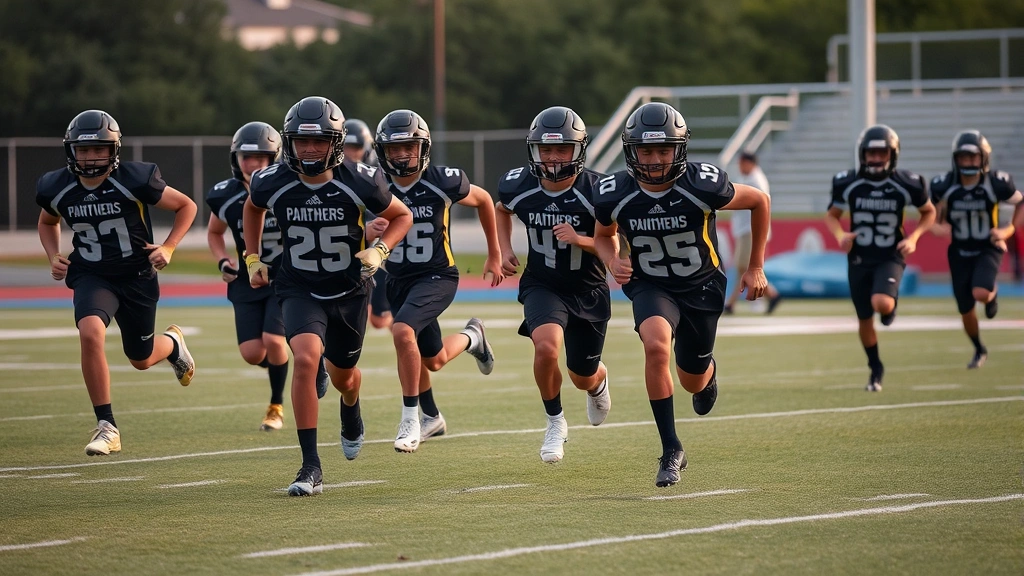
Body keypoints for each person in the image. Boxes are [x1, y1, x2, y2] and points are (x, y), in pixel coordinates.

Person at [593, 102, 770, 488]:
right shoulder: (613, 192)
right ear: (631, 150)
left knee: (692, 379)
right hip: (651, 284)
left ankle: (708, 376)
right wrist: (611, 260)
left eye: (663, 150)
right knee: (656, 345)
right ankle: (671, 448)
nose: (655, 160)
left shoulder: (702, 184)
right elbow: (602, 235)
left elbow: (760, 201)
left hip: (702, 286)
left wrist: (755, 265)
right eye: (646, 150)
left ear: (679, 149)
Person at [242, 96, 413, 496]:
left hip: (350, 290)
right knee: (305, 357)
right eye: (302, 142)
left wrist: (381, 248)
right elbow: (253, 209)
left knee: (344, 378)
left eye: (319, 141)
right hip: (298, 285)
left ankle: (351, 406)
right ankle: (310, 465)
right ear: (289, 143)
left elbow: (402, 216)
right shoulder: (272, 181)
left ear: (335, 142)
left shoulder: (361, 180)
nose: (310, 150)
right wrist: (252, 257)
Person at [36, 109, 198, 456]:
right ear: (71, 151)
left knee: (139, 359)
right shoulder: (57, 186)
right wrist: (53, 254)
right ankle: (107, 426)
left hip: (137, 276)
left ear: (114, 150)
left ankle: (170, 345)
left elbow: (186, 206)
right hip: (92, 275)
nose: (92, 158)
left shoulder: (135, 178)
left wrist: (169, 246)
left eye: (99, 150)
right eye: (84, 150)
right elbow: (47, 221)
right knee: (90, 331)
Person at [367, 109, 502, 453]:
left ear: (422, 147)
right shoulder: (374, 185)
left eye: (408, 147)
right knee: (434, 359)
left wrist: (494, 253)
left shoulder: (442, 181)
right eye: (394, 149)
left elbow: (485, 200)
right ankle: (473, 337)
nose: (401, 155)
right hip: (397, 279)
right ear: (382, 151)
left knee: (402, 332)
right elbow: (349, 226)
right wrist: (367, 231)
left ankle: (411, 418)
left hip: (438, 275)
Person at [495, 106, 612, 464]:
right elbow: (502, 208)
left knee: (582, 374)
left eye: (562, 149)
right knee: (546, 348)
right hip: (543, 284)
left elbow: (614, 243)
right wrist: (503, 248)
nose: (553, 157)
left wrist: (582, 239)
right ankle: (555, 421)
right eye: (546, 150)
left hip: (588, 289)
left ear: (577, 150)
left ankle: (598, 382)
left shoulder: (598, 190)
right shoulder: (520, 185)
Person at [206, 121, 329, 432]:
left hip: (286, 277)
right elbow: (214, 232)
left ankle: (276, 406)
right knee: (252, 353)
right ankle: (300, 361)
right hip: (247, 278)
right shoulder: (225, 195)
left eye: (261, 157)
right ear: (235, 159)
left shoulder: (289, 188)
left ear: (274, 158)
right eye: (247, 158)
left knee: (274, 342)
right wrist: (223, 261)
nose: (253, 164)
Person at [825, 124, 935, 391]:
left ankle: (891, 305)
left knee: (882, 303)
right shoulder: (848, 182)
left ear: (892, 154)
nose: (875, 159)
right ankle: (875, 367)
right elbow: (832, 215)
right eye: (870, 153)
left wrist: (914, 238)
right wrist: (841, 234)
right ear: (862, 154)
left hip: (890, 254)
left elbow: (928, 212)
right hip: (859, 256)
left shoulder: (907, 182)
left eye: (881, 153)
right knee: (864, 319)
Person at [930, 130, 1022, 369]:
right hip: (959, 251)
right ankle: (979, 348)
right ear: (956, 159)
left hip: (987, 247)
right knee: (965, 309)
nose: (968, 162)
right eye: (964, 157)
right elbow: (931, 213)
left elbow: (1020, 201)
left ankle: (992, 294)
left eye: (973, 157)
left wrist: (1008, 229)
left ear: (983, 158)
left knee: (980, 292)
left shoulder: (996, 182)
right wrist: (938, 227)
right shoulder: (946, 185)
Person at [343, 118, 392, 331]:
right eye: (344, 147)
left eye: (354, 147)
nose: (348, 153)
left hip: (377, 257)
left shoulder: (375, 178)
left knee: (381, 320)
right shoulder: (329, 177)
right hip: (341, 255)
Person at [724, 151, 782, 314]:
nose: (740, 167)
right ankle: (771, 294)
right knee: (742, 267)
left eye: (742, 163)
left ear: (749, 163)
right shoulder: (748, 178)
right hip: (744, 229)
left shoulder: (756, 180)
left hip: (751, 229)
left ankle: (732, 303)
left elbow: (761, 206)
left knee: (745, 267)